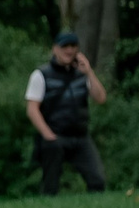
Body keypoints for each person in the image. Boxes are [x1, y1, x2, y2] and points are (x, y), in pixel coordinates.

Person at [25, 32, 107, 195]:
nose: (69, 50)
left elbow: (101, 98)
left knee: (97, 181)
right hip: (55, 136)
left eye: (73, 46)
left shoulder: (82, 74)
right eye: (64, 47)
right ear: (55, 49)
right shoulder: (41, 75)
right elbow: (32, 109)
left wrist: (89, 72)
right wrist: (48, 135)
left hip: (80, 136)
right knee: (51, 186)